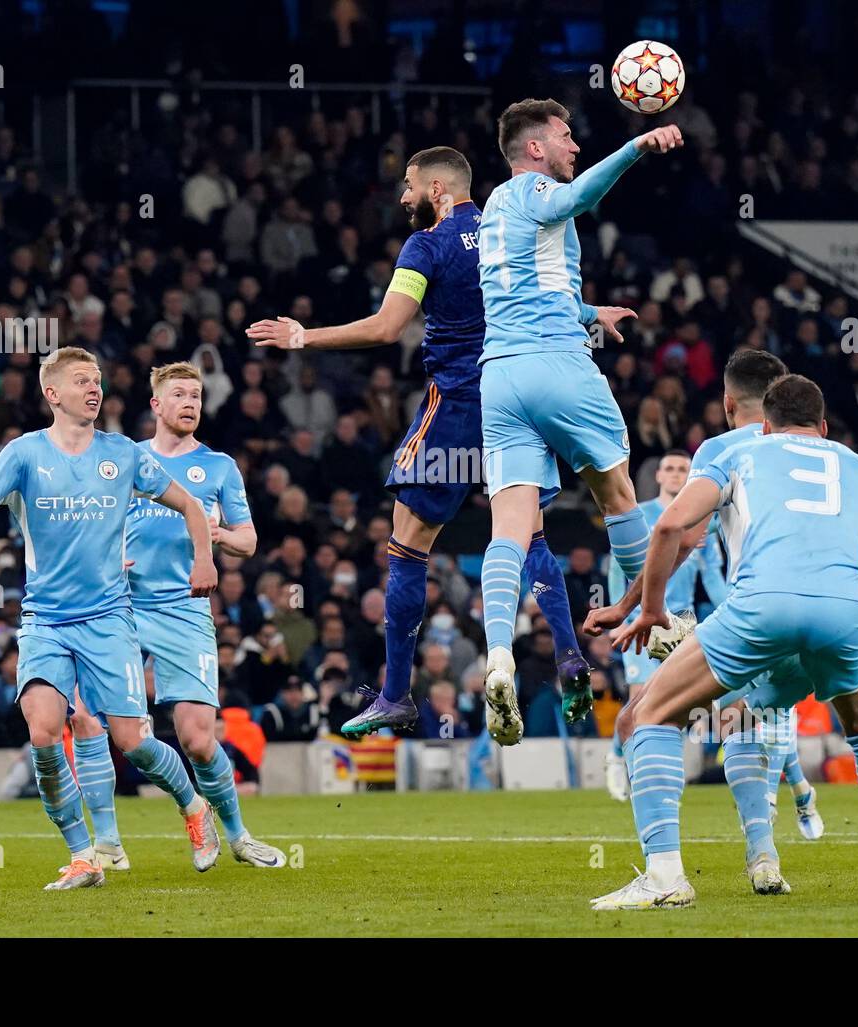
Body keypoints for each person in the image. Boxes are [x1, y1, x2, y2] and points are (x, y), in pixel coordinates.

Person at [249, 145, 588, 739]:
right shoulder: (510, 227)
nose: (402, 197)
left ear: (436, 189)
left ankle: (395, 696)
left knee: (407, 546)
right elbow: (553, 297)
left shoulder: (424, 246)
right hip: (517, 399)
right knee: (527, 535)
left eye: (408, 186)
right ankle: (570, 658)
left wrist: (305, 337)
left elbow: (385, 328)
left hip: (456, 407)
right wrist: (591, 311)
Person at [587, 375, 858, 909]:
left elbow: (670, 530)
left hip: (763, 608)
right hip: (845, 613)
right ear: (823, 427)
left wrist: (648, 610)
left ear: (761, 422)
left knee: (648, 715)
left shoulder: (739, 453)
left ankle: (665, 876)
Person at [0, 347, 220, 891]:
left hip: (108, 619)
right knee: (42, 731)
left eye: (98, 380)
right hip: (46, 621)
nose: (94, 388)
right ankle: (84, 856)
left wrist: (203, 558)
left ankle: (194, 805)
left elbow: (192, 506)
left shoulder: (123, 454)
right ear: (52, 394)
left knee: (131, 739)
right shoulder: (24, 454)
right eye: (82, 381)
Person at [473, 100, 684, 744]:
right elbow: (578, 200)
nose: (574, 147)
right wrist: (636, 147)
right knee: (618, 493)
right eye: (566, 137)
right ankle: (653, 631)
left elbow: (528, 288)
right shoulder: (538, 189)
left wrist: (592, 311)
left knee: (509, 527)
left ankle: (499, 655)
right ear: (534, 149)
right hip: (557, 367)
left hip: (500, 377)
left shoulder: (493, 211)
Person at [110, 361, 283, 867]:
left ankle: (237, 835)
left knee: (199, 741)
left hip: (184, 611)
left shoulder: (219, 467)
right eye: (180, 395)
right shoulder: (124, 459)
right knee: (109, 729)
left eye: (197, 397)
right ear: (156, 405)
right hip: (121, 606)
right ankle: (174, 812)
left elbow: (248, 540)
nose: (190, 404)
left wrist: (216, 532)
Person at [602, 449, 708, 800]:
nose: (676, 475)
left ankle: (659, 774)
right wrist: (621, 613)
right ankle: (619, 760)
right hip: (643, 621)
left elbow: (714, 576)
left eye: (683, 469)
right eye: (670, 469)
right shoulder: (643, 516)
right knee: (640, 695)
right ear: (659, 476)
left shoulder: (704, 518)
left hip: (685, 622)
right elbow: (619, 567)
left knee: (676, 703)